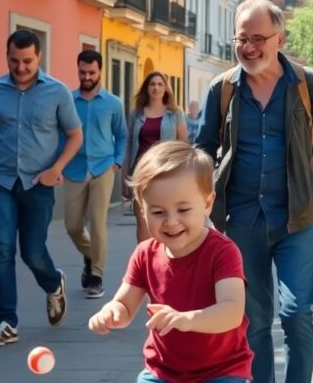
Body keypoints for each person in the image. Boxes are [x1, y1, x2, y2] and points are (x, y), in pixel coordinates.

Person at [195, 0, 313, 383]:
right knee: (254, 318)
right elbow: (203, 146)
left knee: (297, 312)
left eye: (257, 38)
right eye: (241, 39)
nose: (248, 47)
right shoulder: (223, 88)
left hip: (296, 219)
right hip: (241, 220)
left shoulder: (306, 84)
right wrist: (203, 192)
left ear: (279, 38)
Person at [88, 141, 253, 383]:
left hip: (221, 371)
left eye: (183, 210)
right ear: (142, 211)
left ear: (207, 204)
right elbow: (124, 305)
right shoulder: (145, 254)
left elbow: (231, 312)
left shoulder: (223, 252)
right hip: (162, 371)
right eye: (157, 212)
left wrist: (187, 320)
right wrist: (112, 312)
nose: (171, 222)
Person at [0, 30, 83, 348]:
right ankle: (7, 321)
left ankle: (53, 281)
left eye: (28, 61)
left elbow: (75, 135)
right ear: (7, 56)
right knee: (2, 249)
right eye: (15, 61)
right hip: (1, 182)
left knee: (31, 252)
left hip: (38, 184)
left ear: (39, 57)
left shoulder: (57, 92)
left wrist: (56, 169)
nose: (21, 67)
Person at [63, 50, 128, 300]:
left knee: (97, 223)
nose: (87, 76)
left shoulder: (113, 103)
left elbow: (121, 135)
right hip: (74, 169)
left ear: (100, 71)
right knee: (72, 225)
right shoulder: (67, 101)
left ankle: (97, 276)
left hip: (103, 168)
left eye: (91, 72)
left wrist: (117, 163)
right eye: (82, 72)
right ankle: (90, 257)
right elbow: (61, 135)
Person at [123, 71, 189, 241]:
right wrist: (124, 177)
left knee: (166, 218)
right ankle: (144, 261)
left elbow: (183, 144)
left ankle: (163, 259)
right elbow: (129, 146)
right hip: (141, 173)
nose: (156, 87)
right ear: (147, 88)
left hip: (166, 172)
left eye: (160, 84)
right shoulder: (136, 114)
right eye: (152, 84)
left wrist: (182, 174)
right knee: (142, 218)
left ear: (166, 88)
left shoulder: (175, 113)